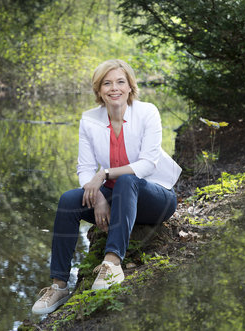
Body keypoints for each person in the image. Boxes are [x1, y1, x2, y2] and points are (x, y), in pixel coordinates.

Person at [31, 59, 182, 315]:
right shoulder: (89, 120)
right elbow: (84, 168)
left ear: (130, 86)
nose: (114, 88)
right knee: (69, 200)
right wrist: (99, 195)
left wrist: (104, 174)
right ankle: (58, 285)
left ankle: (112, 264)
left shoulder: (147, 112)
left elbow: (147, 164)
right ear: (99, 90)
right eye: (107, 83)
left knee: (126, 180)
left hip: (156, 196)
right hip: (115, 197)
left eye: (120, 82)